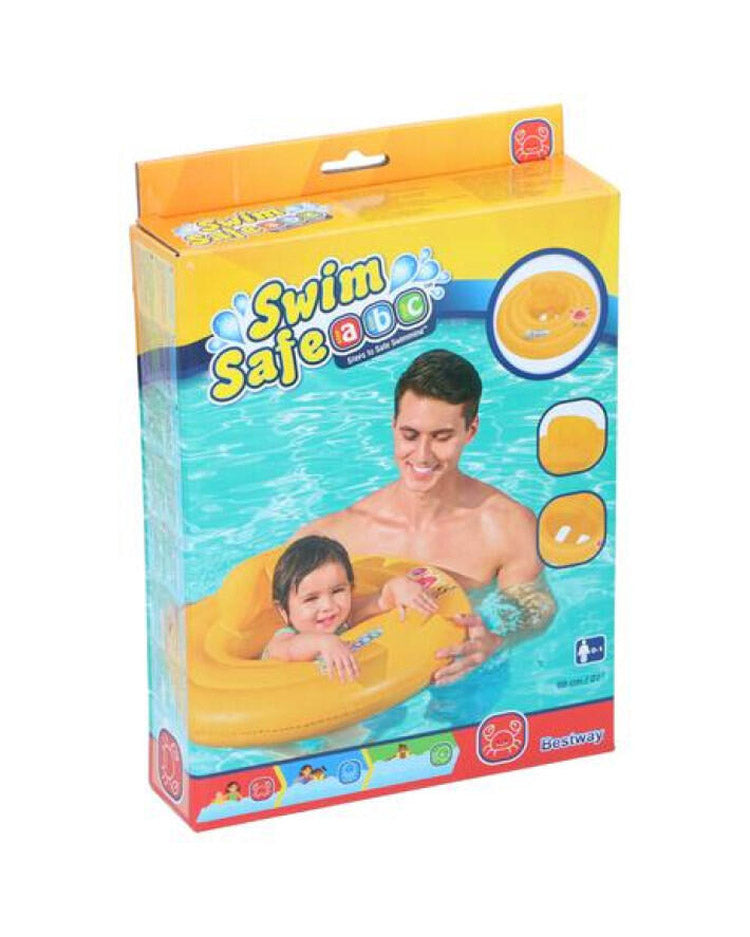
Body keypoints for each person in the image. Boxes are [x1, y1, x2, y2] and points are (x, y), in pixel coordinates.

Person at [295, 349, 557, 685]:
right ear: (393, 426)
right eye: (410, 435)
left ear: (471, 430)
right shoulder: (338, 536)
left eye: (441, 437)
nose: (422, 455)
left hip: (461, 675)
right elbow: (281, 627)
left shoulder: (506, 526)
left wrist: (499, 641)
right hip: (365, 681)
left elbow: (535, 607)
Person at [262, 534, 439, 681]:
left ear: (351, 589)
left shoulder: (346, 617)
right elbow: (289, 649)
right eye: (311, 599)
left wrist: (399, 587)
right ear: (283, 611)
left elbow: (382, 601)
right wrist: (323, 643)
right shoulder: (285, 637)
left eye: (337, 591)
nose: (328, 606)